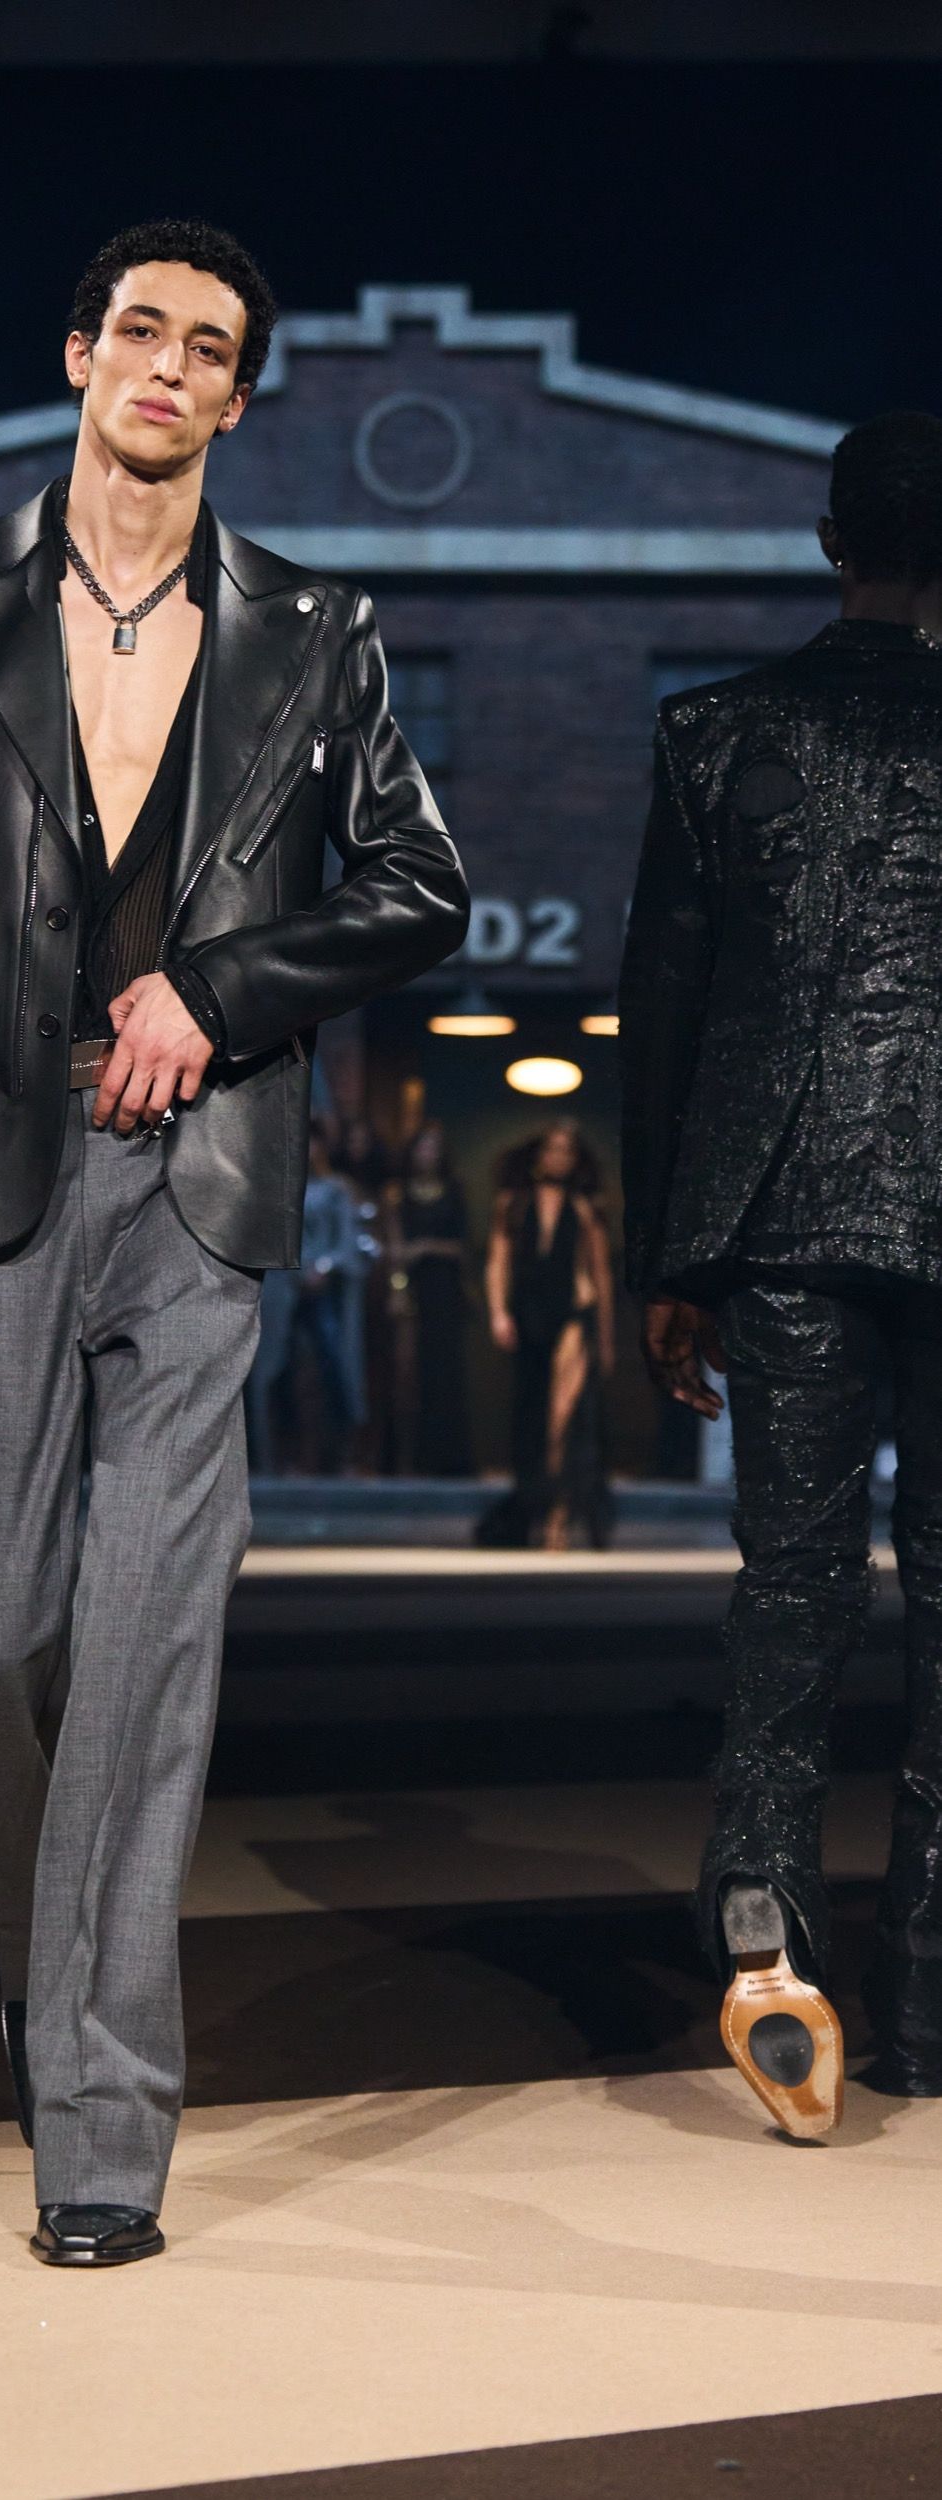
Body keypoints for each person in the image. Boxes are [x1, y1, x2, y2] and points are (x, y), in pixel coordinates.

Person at [0, 219, 467, 2265]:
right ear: (79, 356)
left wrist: (221, 989)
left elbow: (417, 884)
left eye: (207, 347)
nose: (166, 366)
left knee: (151, 1649)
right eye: (137, 330)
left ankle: (99, 2126)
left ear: (237, 397)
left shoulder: (314, 626)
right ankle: (40, 1958)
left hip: (199, 1184)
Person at [619, 409, 942, 2139]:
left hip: (779, 1208)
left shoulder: (715, 734)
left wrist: (664, 1260)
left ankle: (764, 1915)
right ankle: (929, 2003)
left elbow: (662, 1018)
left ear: (832, 545)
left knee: (793, 1584)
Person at [479, 1120, 615, 1550]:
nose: (559, 1157)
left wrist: (606, 1338)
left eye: (567, 1150)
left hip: (573, 1314)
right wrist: (498, 1312)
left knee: (564, 1416)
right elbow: (497, 1260)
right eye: (553, 1148)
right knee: (530, 1414)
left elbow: (601, 1275)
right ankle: (534, 1509)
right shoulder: (513, 1203)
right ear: (539, 1154)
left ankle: (560, 1511)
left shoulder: (584, 1207)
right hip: (528, 1315)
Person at [248, 1124, 369, 1474]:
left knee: (333, 1362)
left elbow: (347, 1240)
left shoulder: (335, 1190)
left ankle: (339, 1455)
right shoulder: (276, 1186)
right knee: (278, 1370)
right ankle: (278, 1454)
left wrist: (326, 1267)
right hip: (283, 1289)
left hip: (323, 1291)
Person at [389, 1120, 473, 1476]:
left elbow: (463, 1247)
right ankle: (409, 1460)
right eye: (422, 1147)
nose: (428, 1154)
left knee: (446, 1371)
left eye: (434, 1148)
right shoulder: (399, 1195)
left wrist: (426, 1246)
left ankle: (448, 1459)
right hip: (413, 1289)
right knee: (410, 1372)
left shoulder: (454, 1191)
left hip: (445, 1289)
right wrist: (398, 1285)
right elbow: (396, 1251)